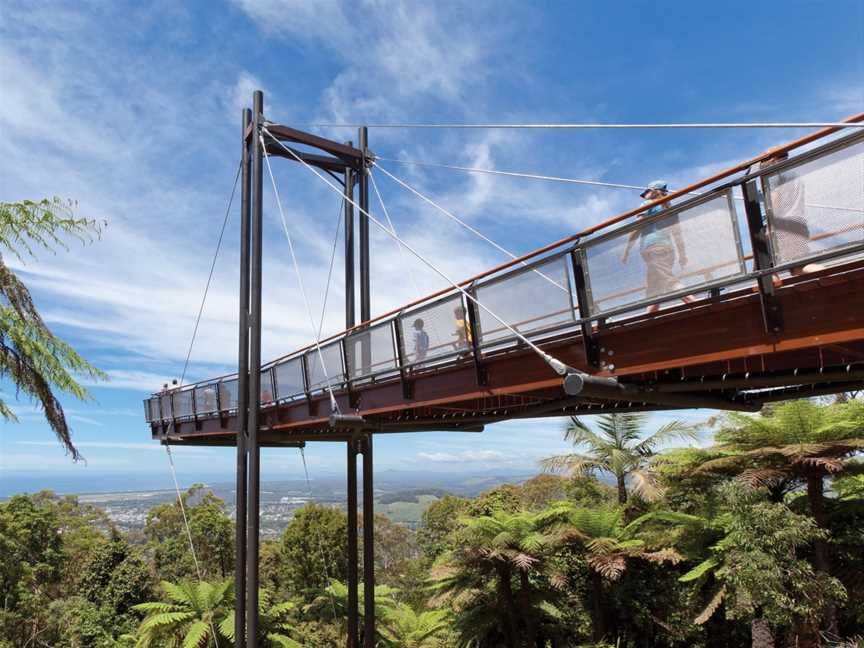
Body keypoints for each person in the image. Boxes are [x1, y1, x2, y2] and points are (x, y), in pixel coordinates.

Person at [621, 180, 695, 314]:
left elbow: (637, 227)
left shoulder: (648, 204)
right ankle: (648, 317)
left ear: (654, 191)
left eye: (647, 192)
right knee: (654, 287)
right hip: (668, 249)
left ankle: (696, 304)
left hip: (652, 248)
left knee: (668, 279)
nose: (645, 195)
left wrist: (626, 250)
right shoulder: (671, 209)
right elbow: (677, 234)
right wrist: (682, 255)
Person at [760, 148, 824, 284]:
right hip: (798, 222)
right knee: (798, 269)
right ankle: (828, 273)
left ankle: (772, 280)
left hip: (782, 225)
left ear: (773, 159)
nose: (763, 163)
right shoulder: (794, 174)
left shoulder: (774, 176)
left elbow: (775, 201)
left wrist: (768, 226)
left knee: (767, 266)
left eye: (765, 160)